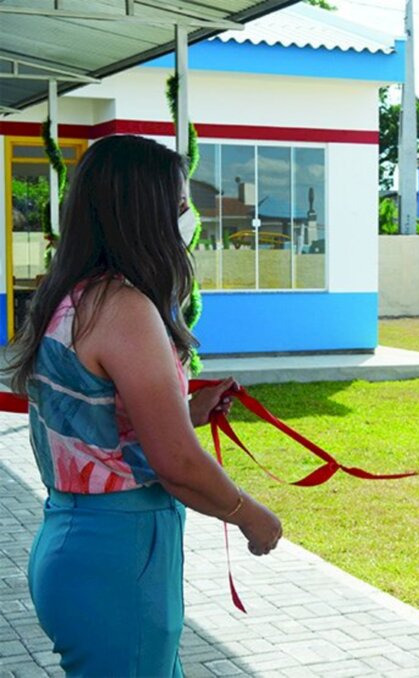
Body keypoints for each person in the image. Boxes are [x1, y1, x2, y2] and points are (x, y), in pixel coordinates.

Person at [5, 134, 283, 677]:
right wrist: (254, 518)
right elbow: (175, 463)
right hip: (115, 557)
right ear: (143, 214)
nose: (188, 218)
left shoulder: (77, 295)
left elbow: (93, 421)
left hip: (82, 544)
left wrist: (185, 408)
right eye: (179, 205)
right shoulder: (124, 307)